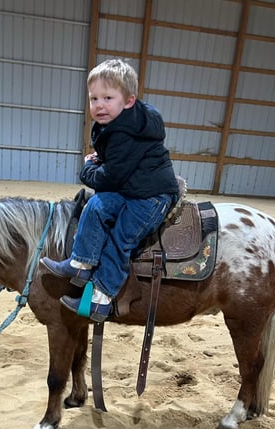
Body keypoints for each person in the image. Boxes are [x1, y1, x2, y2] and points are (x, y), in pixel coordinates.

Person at [40, 59, 179, 321]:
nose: (99, 105)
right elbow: (116, 168)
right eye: (93, 98)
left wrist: (87, 170)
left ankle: (100, 299)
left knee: (120, 239)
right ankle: (81, 263)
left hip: (151, 197)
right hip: (132, 188)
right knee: (95, 205)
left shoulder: (124, 133)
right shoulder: (117, 124)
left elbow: (111, 176)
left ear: (128, 101)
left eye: (107, 97)